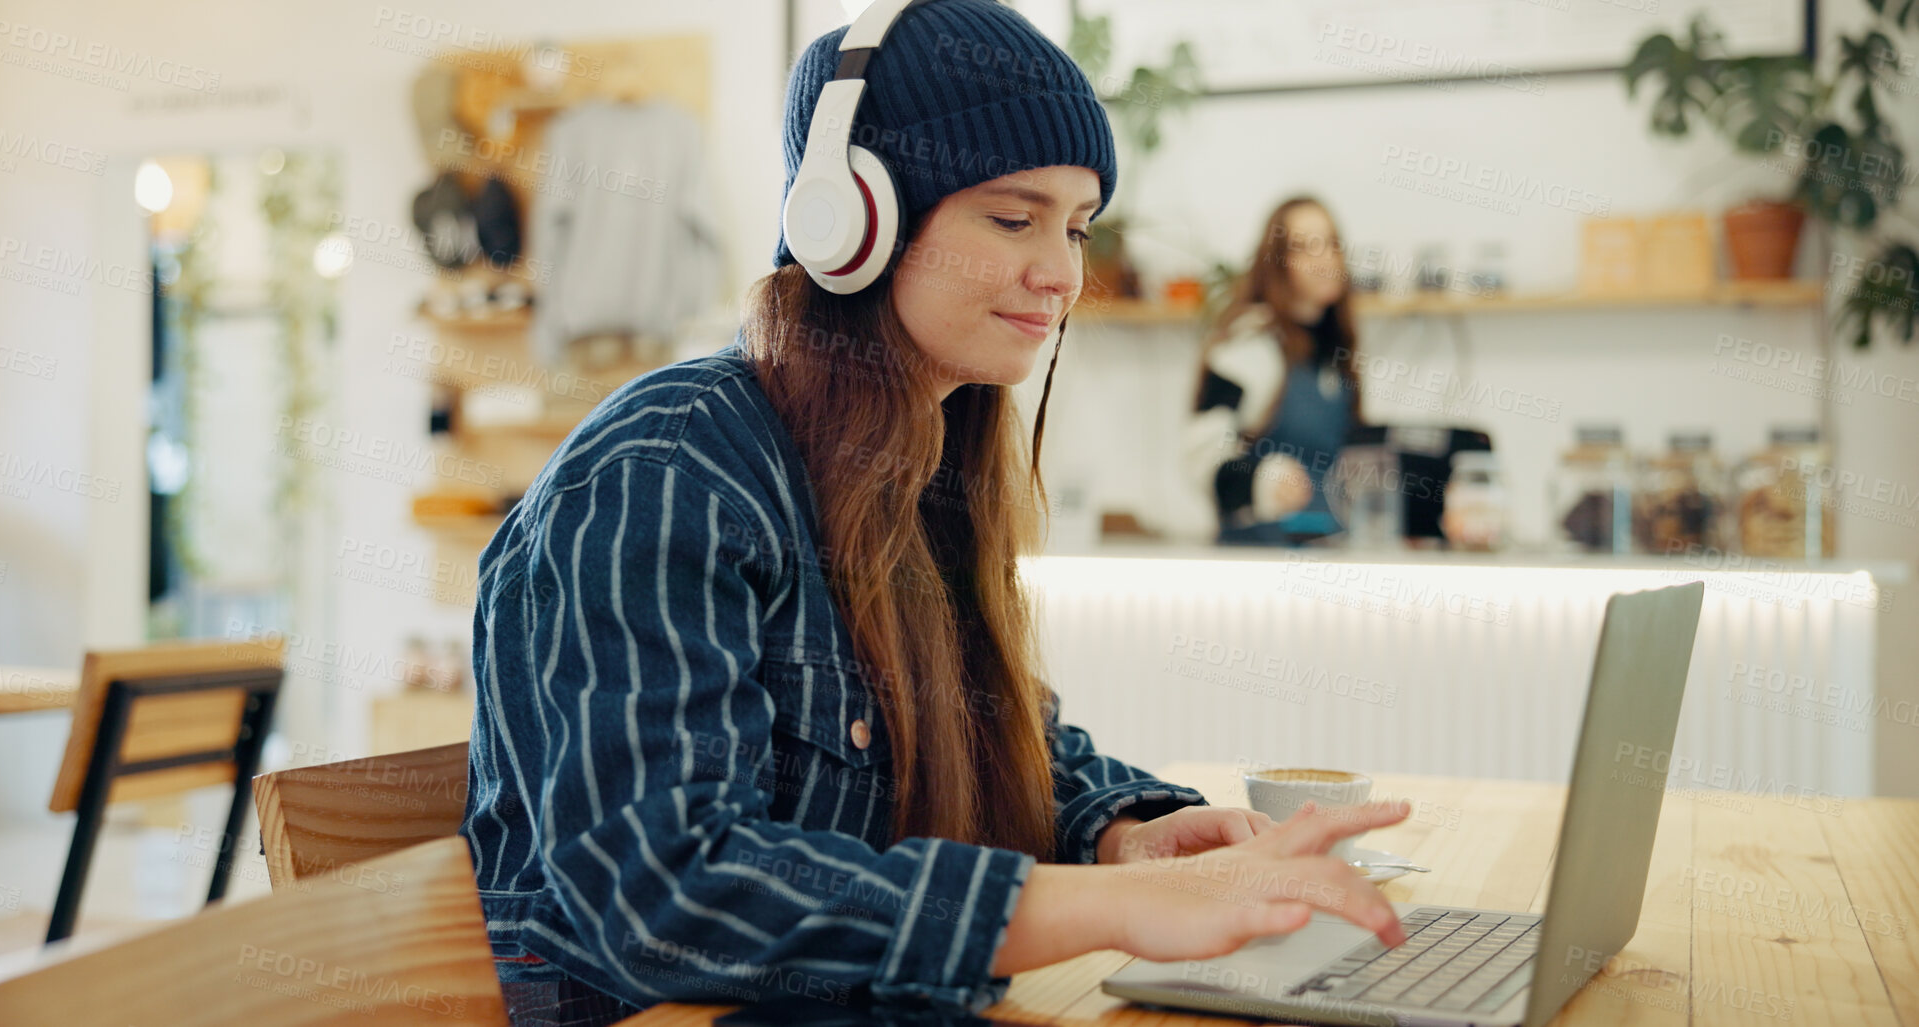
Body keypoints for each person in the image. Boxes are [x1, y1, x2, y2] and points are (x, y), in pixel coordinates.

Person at [459, 4, 1407, 1024]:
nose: (1063, 275)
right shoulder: (667, 466)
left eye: (1077, 227)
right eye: (1015, 218)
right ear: (853, 218)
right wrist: (1114, 904)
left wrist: (1119, 832)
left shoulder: (924, 462)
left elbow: (992, 729)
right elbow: (668, 890)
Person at [1183, 197, 1365, 545]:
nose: (1324, 258)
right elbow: (1200, 458)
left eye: (1331, 243)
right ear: (1278, 263)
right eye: (1304, 248)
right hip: (1258, 561)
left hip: (1326, 557)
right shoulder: (1249, 345)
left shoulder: (1335, 353)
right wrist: (1261, 482)